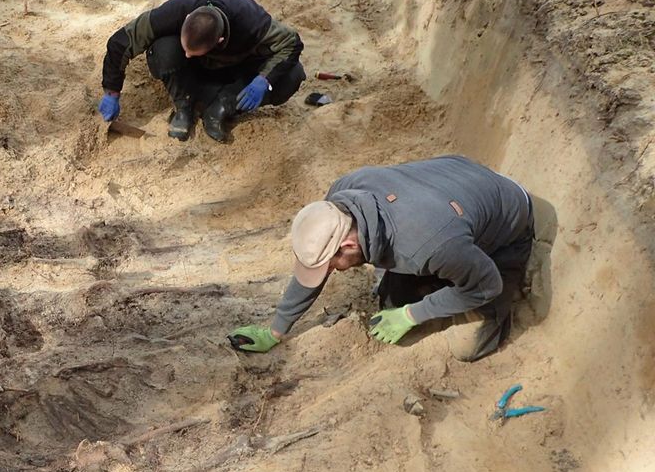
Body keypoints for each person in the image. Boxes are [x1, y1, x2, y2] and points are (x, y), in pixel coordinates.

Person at [230, 155, 550, 362]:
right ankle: (447, 271)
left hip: (506, 226)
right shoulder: (344, 194)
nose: (332, 273)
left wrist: (412, 315)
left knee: (468, 345)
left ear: (349, 245)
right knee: (390, 303)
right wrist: (276, 329)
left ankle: (506, 303)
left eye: (331, 265)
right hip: (450, 189)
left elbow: (486, 284)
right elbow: (313, 270)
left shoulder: (427, 243)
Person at [96, 0, 305, 142]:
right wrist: (112, 92)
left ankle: (221, 106)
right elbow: (121, 42)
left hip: (236, 70)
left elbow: (292, 43)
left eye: (191, 51)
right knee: (164, 50)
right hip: (192, 73)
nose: (186, 53)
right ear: (187, 18)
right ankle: (184, 105)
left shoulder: (252, 21)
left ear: (220, 40)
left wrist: (264, 80)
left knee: (292, 75)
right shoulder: (177, 9)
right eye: (186, 48)